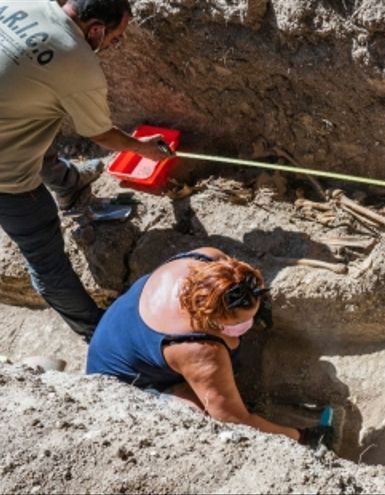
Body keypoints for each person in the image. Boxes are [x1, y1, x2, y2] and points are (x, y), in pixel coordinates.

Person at [0, 0, 172, 338]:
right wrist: (143, 149)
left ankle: (70, 185)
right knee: (46, 260)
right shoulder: (77, 62)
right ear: (95, 28)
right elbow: (100, 133)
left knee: (37, 117)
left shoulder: (21, 3)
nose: (112, 46)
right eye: (115, 38)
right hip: (5, 178)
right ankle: (97, 332)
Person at [86, 247, 329, 445]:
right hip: (125, 390)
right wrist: (302, 437)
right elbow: (233, 419)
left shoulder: (206, 258)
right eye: (239, 323)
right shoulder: (196, 348)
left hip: (123, 338)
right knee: (202, 423)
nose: (248, 325)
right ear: (210, 320)